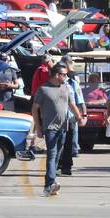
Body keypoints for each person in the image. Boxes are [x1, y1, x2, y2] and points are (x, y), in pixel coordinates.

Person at [32, 62, 86, 196]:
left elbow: (72, 105)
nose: (66, 77)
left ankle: (48, 185)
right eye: (64, 75)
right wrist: (38, 127)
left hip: (63, 127)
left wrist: (80, 118)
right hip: (50, 128)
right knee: (52, 154)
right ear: (57, 75)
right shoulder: (43, 89)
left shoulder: (66, 87)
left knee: (56, 157)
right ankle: (50, 183)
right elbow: (34, 109)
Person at [59, 56, 86, 169]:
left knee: (68, 143)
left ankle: (66, 167)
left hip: (70, 117)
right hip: (57, 117)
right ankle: (57, 165)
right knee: (58, 143)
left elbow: (80, 101)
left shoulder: (73, 83)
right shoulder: (54, 83)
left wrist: (84, 115)